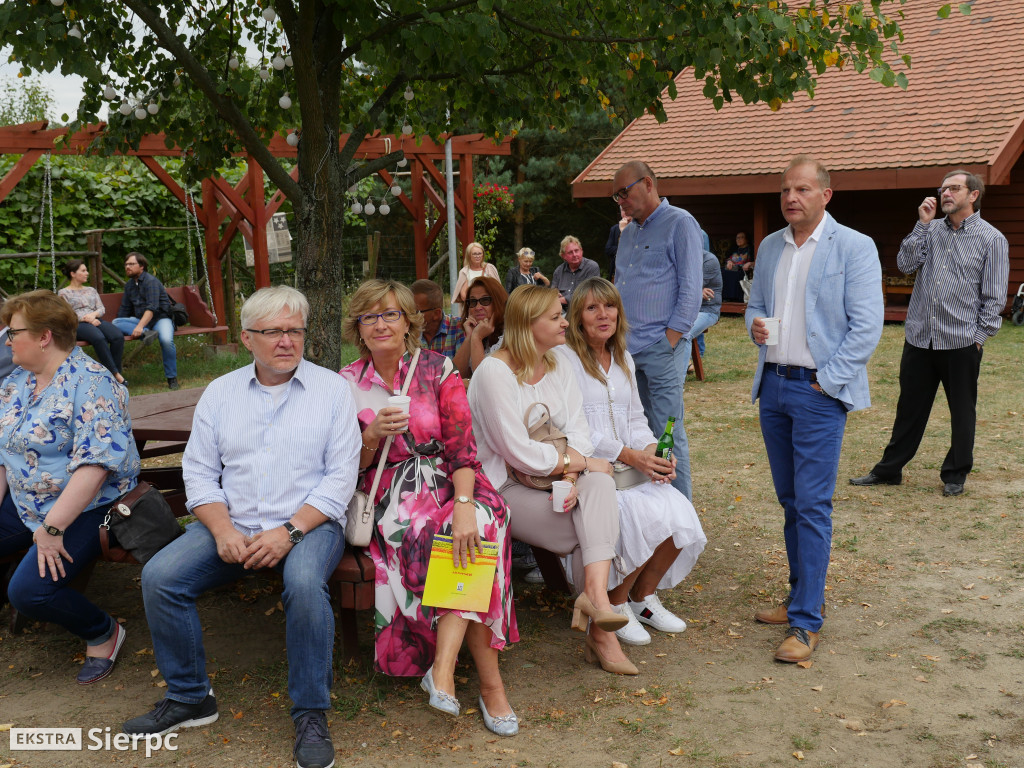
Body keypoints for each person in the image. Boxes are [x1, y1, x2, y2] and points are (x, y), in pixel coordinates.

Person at [123, 286, 360, 768]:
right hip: (234, 523)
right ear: (248, 338)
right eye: (273, 332)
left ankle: (310, 712)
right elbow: (198, 473)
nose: (286, 341)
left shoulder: (332, 390)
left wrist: (289, 532)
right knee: (161, 577)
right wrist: (223, 531)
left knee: (303, 583)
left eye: (294, 330)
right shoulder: (221, 392)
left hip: (310, 525)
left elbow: (340, 479)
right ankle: (190, 697)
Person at [340, 279, 519, 735]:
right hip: (392, 490)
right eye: (369, 316)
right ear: (358, 328)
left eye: (391, 314)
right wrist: (370, 436)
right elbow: (344, 467)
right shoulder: (346, 384)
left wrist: (464, 505)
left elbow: (463, 450)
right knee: (435, 534)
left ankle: (443, 670)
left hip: (452, 479)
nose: (380, 324)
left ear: (408, 323)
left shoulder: (438, 369)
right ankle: (490, 685)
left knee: (482, 521)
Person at [745, 156, 883, 663]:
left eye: (802, 189)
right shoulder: (769, 246)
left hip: (819, 393)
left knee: (812, 506)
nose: (791, 198)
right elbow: (756, 306)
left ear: (826, 194)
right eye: (786, 189)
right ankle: (801, 594)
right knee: (790, 501)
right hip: (774, 389)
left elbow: (866, 327)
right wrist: (755, 325)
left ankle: (805, 624)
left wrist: (827, 380)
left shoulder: (854, 246)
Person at [469, 285, 637, 676]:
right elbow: (515, 451)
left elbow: (579, 430)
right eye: (556, 317)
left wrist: (575, 471)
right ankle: (601, 629)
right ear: (528, 325)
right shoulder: (494, 372)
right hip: (502, 486)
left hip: (555, 477)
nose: (565, 322)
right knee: (590, 529)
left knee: (600, 486)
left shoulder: (557, 365)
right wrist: (577, 463)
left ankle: (595, 602)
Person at [0, 290, 140, 685]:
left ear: (44, 336)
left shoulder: (92, 383)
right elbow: (3, 454)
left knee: (29, 592)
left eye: (13, 333)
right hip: (26, 501)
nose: (7, 341)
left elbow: (94, 468)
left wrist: (52, 529)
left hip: (88, 506)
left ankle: (103, 632)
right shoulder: (16, 382)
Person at [559, 278, 707, 646]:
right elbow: (575, 427)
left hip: (629, 467)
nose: (603, 314)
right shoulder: (565, 359)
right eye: (592, 308)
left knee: (678, 511)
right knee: (639, 516)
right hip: (589, 469)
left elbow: (636, 419)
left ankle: (643, 598)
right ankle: (615, 602)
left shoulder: (623, 357)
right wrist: (630, 455)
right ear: (577, 317)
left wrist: (654, 450)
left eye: (609, 306)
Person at [850, 171, 1010, 498]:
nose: (945, 193)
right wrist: (922, 224)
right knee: (908, 409)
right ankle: (889, 470)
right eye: (943, 188)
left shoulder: (992, 239)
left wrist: (979, 338)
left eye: (954, 188)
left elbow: (994, 296)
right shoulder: (930, 229)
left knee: (962, 412)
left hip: (962, 341)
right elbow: (905, 263)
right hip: (920, 338)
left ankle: (955, 473)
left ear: (973, 195)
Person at [611, 160, 702, 500]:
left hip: (661, 347)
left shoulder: (680, 223)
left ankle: (681, 519)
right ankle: (656, 511)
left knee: (668, 434)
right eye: (616, 196)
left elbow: (691, 289)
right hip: (625, 349)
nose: (620, 200)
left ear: (648, 184)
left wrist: (670, 340)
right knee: (640, 432)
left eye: (624, 192)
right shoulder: (628, 233)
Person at [112, 252, 178, 390]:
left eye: (131, 264)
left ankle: (172, 378)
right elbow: (124, 309)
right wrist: (117, 329)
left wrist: (139, 327)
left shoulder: (151, 282)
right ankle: (147, 333)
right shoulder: (129, 286)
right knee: (115, 323)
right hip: (142, 322)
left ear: (141, 266)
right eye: (126, 264)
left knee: (166, 340)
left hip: (160, 319)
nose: (127, 267)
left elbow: (152, 308)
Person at [58, 259, 126, 385]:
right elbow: (67, 314)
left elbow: (101, 308)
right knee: (99, 338)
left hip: (95, 319)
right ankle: (116, 375)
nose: (87, 273)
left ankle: (114, 373)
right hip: (77, 324)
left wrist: (93, 315)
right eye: (83, 271)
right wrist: (86, 318)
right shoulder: (63, 293)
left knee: (117, 336)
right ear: (73, 274)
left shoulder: (91, 290)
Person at [453, 276, 507, 378]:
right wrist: (470, 337)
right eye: (473, 302)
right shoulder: (478, 330)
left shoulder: (509, 335)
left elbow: (483, 381)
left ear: (498, 302)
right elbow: (453, 376)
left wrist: (476, 337)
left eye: (485, 300)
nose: (477, 307)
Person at [411, 279, 465, 359]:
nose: (409, 316)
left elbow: (460, 367)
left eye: (416, 312)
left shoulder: (459, 328)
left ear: (436, 313)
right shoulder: (408, 332)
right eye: (408, 311)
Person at [689, 233, 723, 362]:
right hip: (686, 308)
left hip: (707, 310)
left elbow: (688, 288)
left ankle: (680, 371)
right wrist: (697, 290)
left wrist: (695, 290)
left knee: (683, 333)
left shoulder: (709, 260)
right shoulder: (682, 258)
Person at [551, 236, 600, 308]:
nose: (574, 255)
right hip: (561, 309)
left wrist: (564, 300)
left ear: (581, 251)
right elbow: (553, 291)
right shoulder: (559, 271)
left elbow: (589, 293)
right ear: (563, 256)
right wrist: (555, 294)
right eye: (570, 252)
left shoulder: (591, 267)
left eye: (576, 251)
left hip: (583, 309)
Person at [721, 231, 753, 302]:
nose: (739, 239)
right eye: (737, 238)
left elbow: (756, 261)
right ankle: (724, 297)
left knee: (734, 275)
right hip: (732, 268)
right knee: (721, 272)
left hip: (743, 270)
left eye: (742, 237)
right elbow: (727, 258)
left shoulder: (751, 249)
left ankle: (734, 298)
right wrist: (729, 261)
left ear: (747, 239)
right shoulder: (734, 248)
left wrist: (750, 263)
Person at [605, 208, 632, 279]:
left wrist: (624, 232)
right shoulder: (615, 228)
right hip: (616, 273)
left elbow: (634, 249)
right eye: (623, 210)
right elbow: (608, 249)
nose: (625, 212)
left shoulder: (639, 228)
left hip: (632, 273)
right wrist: (622, 250)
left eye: (626, 209)